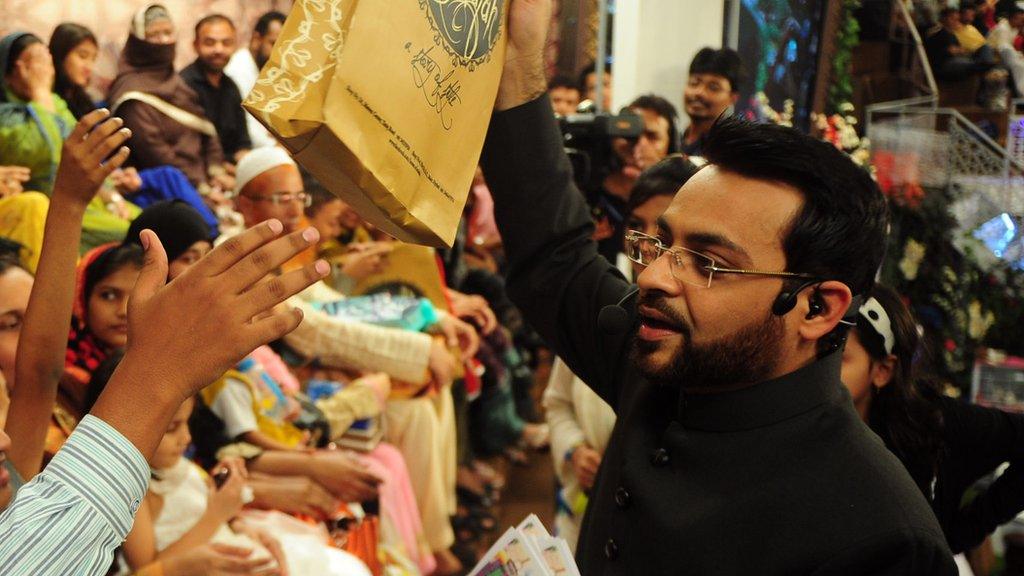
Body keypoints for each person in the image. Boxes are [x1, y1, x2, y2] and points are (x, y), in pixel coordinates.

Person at [479, 1, 956, 573]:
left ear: (817, 307)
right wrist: (520, 58)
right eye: (662, 245)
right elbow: (554, 255)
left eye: (707, 263)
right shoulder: (664, 359)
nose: (653, 276)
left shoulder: (883, 536)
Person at [0, 105, 327, 574]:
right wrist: (157, 367)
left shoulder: (13, 475)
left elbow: (37, 376)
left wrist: (70, 203)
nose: (3, 441)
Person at [231, 147, 470, 574]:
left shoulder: (277, 246)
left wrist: (431, 318)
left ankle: (435, 539)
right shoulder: (237, 256)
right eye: (279, 199)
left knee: (430, 392)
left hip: (308, 380)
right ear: (242, 204)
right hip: (289, 396)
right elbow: (315, 328)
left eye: (299, 199)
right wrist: (420, 350)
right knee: (414, 410)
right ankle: (423, 554)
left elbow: (334, 306)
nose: (293, 210)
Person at [544, 155, 698, 552]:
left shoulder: (698, 346)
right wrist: (575, 450)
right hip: (579, 521)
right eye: (638, 228)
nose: (648, 251)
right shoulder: (607, 319)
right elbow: (558, 403)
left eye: (665, 235)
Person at [841, 284, 1024, 557]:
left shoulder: (931, 423)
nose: (815, 370)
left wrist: (964, 531)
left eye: (837, 358)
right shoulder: (797, 431)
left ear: (882, 370)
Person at [108, 5, 233, 198]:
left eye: (168, 33)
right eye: (154, 35)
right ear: (138, 42)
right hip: (169, 191)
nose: (164, 41)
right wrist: (203, 188)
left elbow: (206, 130)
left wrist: (216, 171)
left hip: (204, 181)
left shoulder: (175, 82)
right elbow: (160, 158)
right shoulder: (132, 96)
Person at [593, 94, 679, 263]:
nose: (639, 144)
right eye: (631, 134)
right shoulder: (590, 189)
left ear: (670, 144)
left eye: (652, 136)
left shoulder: (678, 201)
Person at [182, 15, 252, 163]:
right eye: (210, 43)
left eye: (226, 43)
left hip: (234, 169)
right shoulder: (183, 85)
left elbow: (243, 142)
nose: (218, 49)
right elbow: (187, 149)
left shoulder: (231, 87)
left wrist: (243, 163)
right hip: (199, 170)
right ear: (195, 45)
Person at [225, 10, 286, 150]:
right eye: (274, 44)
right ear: (257, 39)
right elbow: (247, 129)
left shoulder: (267, 68)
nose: (279, 53)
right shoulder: (237, 70)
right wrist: (277, 147)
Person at [681, 47, 742, 157]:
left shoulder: (729, 151)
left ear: (733, 98)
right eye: (694, 83)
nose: (699, 92)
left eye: (713, 87)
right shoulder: (671, 139)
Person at [925, 8, 997, 81]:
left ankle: (986, 66)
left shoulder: (953, 36)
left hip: (960, 59)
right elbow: (933, 55)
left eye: (957, 19)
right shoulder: (936, 35)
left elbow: (960, 50)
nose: (955, 22)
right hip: (944, 64)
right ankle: (987, 66)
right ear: (944, 19)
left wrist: (961, 51)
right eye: (952, 19)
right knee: (967, 63)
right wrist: (948, 51)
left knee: (985, 47)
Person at [49, 23, 99, 120]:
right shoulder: (45, 99)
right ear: (60, 54)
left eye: (93, 59)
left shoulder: (83, 100)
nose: (89, 67)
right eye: (83, 56)